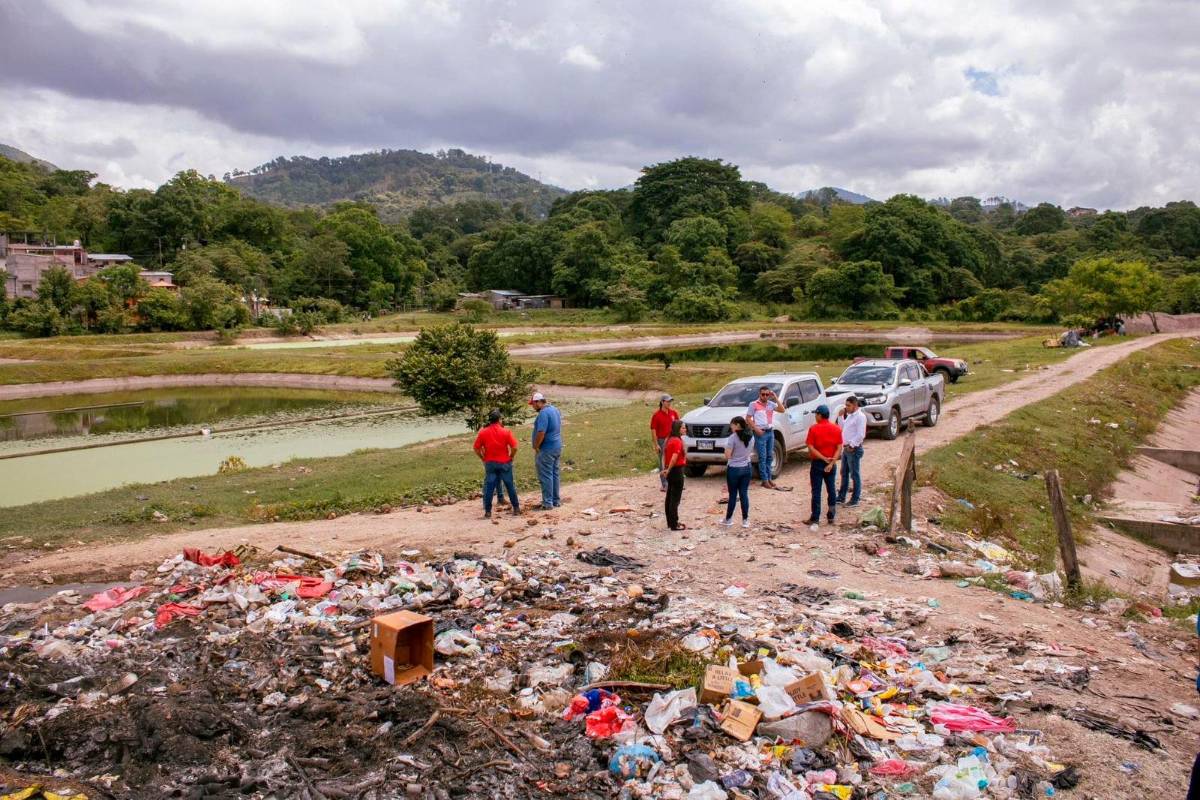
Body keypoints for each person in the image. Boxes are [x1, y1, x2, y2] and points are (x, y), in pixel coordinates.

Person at [473, 409, 520, 518]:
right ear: (499, 419)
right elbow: (514, 447)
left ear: (490, 420)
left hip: (490, 463)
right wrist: (511, 456)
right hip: (504, 462)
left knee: (489, 487)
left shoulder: (483, 432)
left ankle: (488, 511)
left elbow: (476, 448)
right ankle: (516, 508)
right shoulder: (506, 431)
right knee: (510, 485)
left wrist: (482, 458)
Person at [803, 404, 843, 526]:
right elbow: (839, 447)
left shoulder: (814, 429)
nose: (815, 416)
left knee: (816, 490)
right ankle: (831, 515)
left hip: (818, 463)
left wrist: (823, 458)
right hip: (831, 463)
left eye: (816, 414)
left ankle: (815, 517)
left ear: (820, 415)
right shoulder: (836, 428)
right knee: (831, 489)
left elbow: (810, 447)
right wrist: (832, 462)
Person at [747, 385, 785, 489]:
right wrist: (756, 429)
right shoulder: (753, 404)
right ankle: (764, 480)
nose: (765, 396)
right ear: (759, 394)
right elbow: (748, 418)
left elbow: (782, 410)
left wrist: (775, 397)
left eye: (767, 394)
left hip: (770, 432)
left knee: (769, 456)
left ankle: (769, 478)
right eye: (763, 394)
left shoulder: (771, 404)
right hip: (760, 433)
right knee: (762, 457)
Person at [530, 391, 563, 510]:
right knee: (554, 473)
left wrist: (536, 445)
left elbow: (541, 432)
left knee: (546, 475)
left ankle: (547, 503)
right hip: (557, 446)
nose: (533, 407)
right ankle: (556, 500)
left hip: (547, 448)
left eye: (533, 404)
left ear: (538, 402)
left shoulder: (543, 413)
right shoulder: (555, 409)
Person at [720, 416, 754, 528]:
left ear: (737, 425)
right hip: (746, 467)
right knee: (744, 494)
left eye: (732, 425)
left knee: (733, 495)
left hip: (734, 468)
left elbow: (728, 455)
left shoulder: (733, 438)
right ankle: (745, 520)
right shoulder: (751, 436)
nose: (731, 427)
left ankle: (728, 519)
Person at [836, 396, 867, 507]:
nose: (846, 408)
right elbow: (843, 428)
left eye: (848, 405)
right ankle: (841, 496)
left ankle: (855, 499)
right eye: (846, 405)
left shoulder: (860, 417)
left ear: (855, 405)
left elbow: (861, 434)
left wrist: (852, 445)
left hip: (853, 449)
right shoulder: (850, 416)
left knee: (854, 474)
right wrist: (840, 416)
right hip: (846, 448)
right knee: (844, 473)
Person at [650, 394, 680, 492]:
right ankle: (664, 484)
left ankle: (675, 483)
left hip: (673, 440)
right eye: (667, 401)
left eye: (670, 401)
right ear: (662, 402)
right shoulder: (656, 415)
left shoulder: (674, 413)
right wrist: (656, 444)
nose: (669, 403)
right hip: (662, 440)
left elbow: (678, 425)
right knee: (663, 462)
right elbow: (653, 430)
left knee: (673, 460)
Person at [662, 419, 687, 530]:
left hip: (670, 470)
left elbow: (664, 455)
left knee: (669, 496)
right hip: (676, 470)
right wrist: (668, 469)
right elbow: (674, 457)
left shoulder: (669, 439)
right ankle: (674, 524)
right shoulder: (677, 441)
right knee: (675, 499)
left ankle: (670, 522)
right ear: (678, 429)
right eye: (683, 428)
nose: (685, 429)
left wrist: (666, 469)